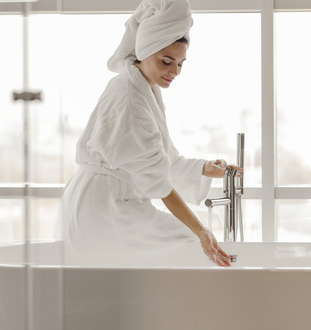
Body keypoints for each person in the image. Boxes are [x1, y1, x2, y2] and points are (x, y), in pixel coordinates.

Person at [56, 0, 237, 267]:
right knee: (188, 247)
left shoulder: (142, 88)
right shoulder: (130, 98)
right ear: (145, 51)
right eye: (167, 61)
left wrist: (204, 168)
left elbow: (162, 160)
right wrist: (201, 230)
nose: (175, 71)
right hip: (105, 206)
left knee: (177, 254)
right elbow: (158, 182)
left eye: (181, 64)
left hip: (102, 200)